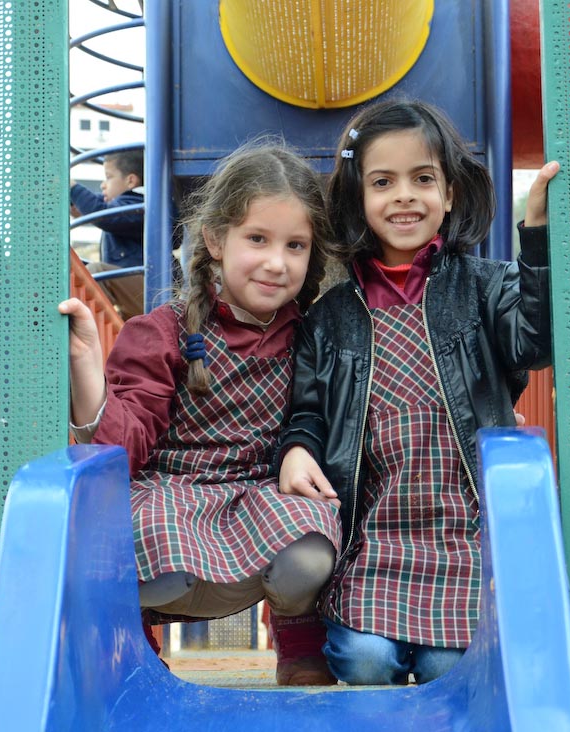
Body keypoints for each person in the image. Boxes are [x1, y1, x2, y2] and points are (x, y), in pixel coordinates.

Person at [277, 98, 559, 686]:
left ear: (450, 193)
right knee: (366, 659)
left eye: (423, 179)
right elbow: (306, 411)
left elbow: (534, 342)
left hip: (463, 535)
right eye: (383, 182)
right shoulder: (331, 317)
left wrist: (535, 237)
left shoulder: (485, 287)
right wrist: (297, 447)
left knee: (446, 669)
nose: (404, 195)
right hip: (376, 537)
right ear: (359, 198)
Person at [59, 141, 343, 685]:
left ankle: (297, 631)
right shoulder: (165, 331)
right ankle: (134, 648)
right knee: (151, 539)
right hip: (175, 494)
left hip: (257, 496)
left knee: (311, 540)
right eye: (257, 239)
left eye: (296, 245)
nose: (276, 262)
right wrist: (88, 375)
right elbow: (126, 442)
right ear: (215, 239)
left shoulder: (311, 336)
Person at [70, 148, 147, 318]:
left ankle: (83, 322)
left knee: (97, 272)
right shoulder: (125, 208)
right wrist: (78, 205)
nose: (103, 184)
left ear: (131, 181)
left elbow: (105, 215)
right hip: (135, 290)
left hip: (150, 289)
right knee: (84, 271)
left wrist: (73, 188)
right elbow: (99, 207)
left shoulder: (140, 206)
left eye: (109, 177)